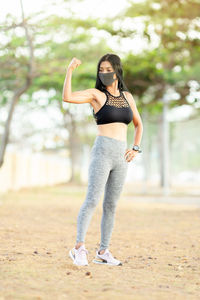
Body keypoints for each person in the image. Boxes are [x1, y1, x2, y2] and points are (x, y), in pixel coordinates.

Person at [62, 53, 143, 266]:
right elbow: (68, 97)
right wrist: (69, 70)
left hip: (121, 156)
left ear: (117, 70)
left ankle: (103, 251)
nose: (105, 73)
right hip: (102, 151)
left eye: (109, 69)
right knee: (91, 200)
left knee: (111, 205)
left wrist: (135, 148)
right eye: (102, 70)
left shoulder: (128, 97)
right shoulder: (96, 95)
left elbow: (138, 124)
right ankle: (78, 248)